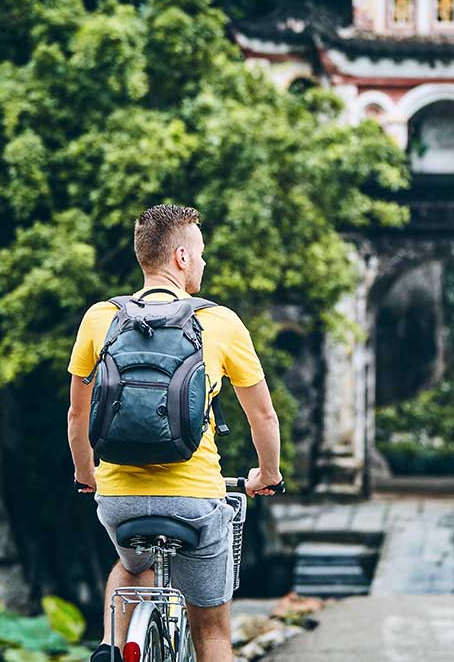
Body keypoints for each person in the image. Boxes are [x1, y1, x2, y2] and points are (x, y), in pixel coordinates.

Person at [65, 203, 283, 662]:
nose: (203, 262)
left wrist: (88, 475)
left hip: (119, 501)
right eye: (200, 252)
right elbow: (263, 417)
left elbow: (76, 417)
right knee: (213, 635)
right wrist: (267, 475)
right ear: (181, 258)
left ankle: (111, 644)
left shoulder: (99, 318)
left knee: (132, 563)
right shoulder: (219, 322)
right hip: (195, 500)